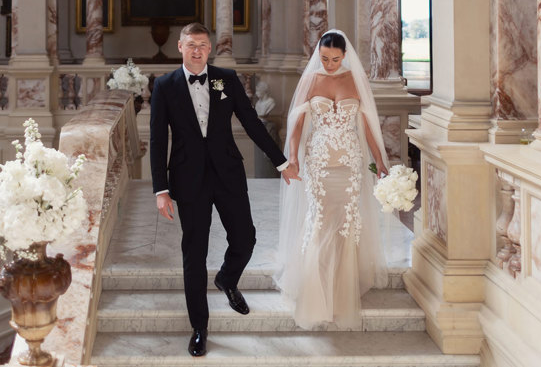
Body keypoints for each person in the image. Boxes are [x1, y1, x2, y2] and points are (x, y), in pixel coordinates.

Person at [150, 22, 300, 357]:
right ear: (180, 46)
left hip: (228, 174)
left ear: (210, 48)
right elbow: (159, 140)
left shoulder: (226, 80)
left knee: (246, 237)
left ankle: (228, 279)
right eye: (191, 45)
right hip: (188, 180)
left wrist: (281, 162)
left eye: (203, 44)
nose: (197, 50)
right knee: (194, 253)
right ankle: (199, 328)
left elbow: (251, 123)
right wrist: (160, 189)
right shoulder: (164, 86)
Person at [275, 29, 390, 330]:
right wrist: (294, 158)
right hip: (319, 163)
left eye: (334, 59)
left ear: (345, 56)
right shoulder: (312, 80)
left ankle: (340, 296)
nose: (328, 64)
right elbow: (297, 123)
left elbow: (366, 125)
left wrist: (378, 160)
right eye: (324, 58)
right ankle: (316, 298)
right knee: (321, 222)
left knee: (344, 225)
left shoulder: (355, 80)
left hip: (350, 164)